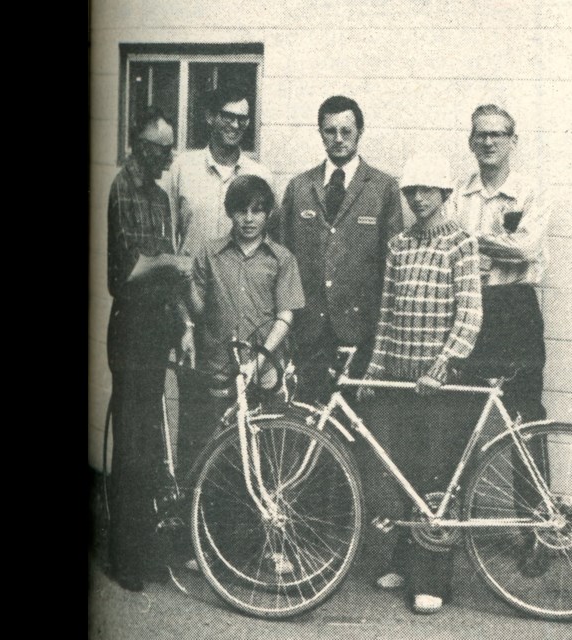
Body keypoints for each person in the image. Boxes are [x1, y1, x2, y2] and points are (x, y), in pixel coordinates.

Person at [357, 152, 482, 614]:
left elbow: (469, 314)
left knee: (434, 483)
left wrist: (442, 366)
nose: (419, 199)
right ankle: (402, 563)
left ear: (445, 194)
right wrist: (375, 370)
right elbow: (387, 316)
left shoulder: (461, 244)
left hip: (438, 387)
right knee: (398, 477)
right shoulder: (398, 246)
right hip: (396, 381)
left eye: (428, 190)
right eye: (412, 192)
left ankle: (431, 581)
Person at [446, 104, 552, 576]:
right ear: (471, 141)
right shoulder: (457, 193)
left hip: (514, 310)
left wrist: (474, 242)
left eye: (498, 135)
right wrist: (487, 245)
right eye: (480, 135)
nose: (488, 142)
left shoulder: (531, 189)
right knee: (459, 417)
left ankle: (538, 533)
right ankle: (447, 532)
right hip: (468, 309)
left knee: (525, 422)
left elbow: (528, 248)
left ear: (513, 140)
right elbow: (448, 247)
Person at [105, 109, 193, 591]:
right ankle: (126, 560)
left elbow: (164, 271)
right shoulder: (123, 188)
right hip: (132, 327)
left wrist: (181, 323)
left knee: (152, 443)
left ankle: (146, 549)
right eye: (162, 148)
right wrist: (170, 261)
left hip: (157, 325)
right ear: (140, 144)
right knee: (134, 448)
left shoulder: (160, 196)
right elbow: (127, 272)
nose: (168, 156)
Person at [275, 95, 403, 403]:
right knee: (306, 419)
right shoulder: (299, 187)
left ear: (360, 131)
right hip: (309, 330)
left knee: (356, 424)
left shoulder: (383, 188)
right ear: (320, 133)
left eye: (346, 130)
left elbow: (393, 264)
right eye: (330, 131)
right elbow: (282, 258)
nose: (339, 138)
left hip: (362, 332)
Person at [178, 174, 305, 480]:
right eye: (241, 210)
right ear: (229, 212)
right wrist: (185, 287)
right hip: (219, 367)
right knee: (216, 453)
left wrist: (260, 361)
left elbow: (285, 316)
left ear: (268, 213)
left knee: (265, 455)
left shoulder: (281, 259)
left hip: (264, 372)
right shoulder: (210, 253)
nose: (249, 219)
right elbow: (200, 311)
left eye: (257, 210)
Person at [166, 84, 275, 258]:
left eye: (242, 119)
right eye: (228, 117)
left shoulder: (260, 175)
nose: (235, 125)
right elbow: (168, 233)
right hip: (190, 280)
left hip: (238, 283)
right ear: (210, 117)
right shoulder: (183, 168)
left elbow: (268, 241)